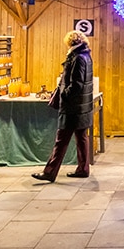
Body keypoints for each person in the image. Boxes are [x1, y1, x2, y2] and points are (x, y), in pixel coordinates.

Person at [32, 31, 93, 183]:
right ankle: (83, 169)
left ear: (70, 42)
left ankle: (50, 172)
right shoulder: (85, 56)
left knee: (61, 140)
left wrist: (64, 94)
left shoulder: (77, 58)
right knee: (81, 138)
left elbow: (76, 84)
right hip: (82, 107)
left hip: (73, 107)